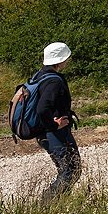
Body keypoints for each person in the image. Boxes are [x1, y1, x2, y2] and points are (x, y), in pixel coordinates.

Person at [33, 42, 80, 201]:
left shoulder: (40, 75)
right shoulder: (54, 81)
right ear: (60, 60)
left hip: (45, 132)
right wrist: (54, 125)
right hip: (54, 133)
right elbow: (42, 109)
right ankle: (46, 205)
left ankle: (58, 205)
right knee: (71, 170)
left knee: (67, 170)